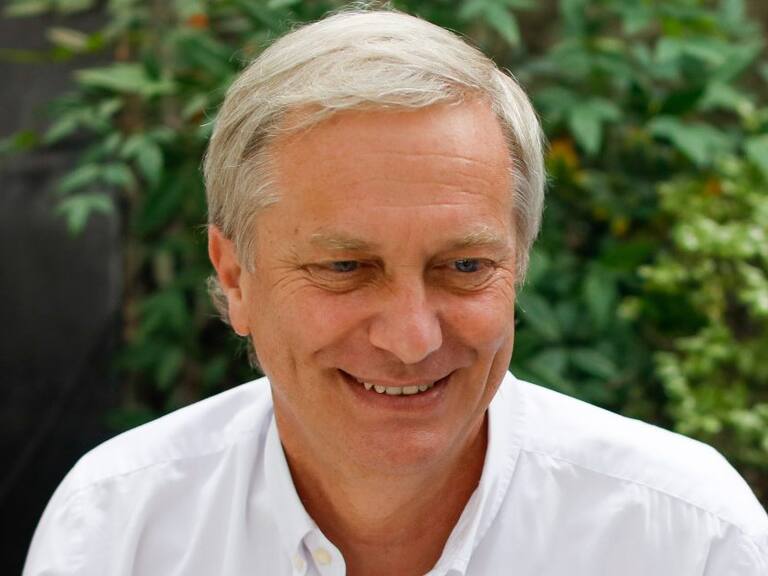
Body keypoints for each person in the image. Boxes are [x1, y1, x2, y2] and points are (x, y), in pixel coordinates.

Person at [24, 8, 767, 576]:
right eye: (345, 269)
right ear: (234, 276)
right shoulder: (117, 530)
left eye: (466, 267)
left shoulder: (685, 537)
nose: (412, 338)